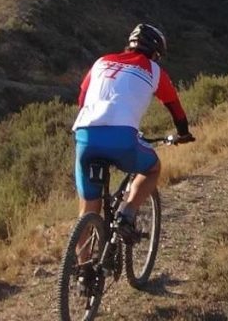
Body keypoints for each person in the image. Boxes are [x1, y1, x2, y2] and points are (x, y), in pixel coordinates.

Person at [72, 23, 195, 240]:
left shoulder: (101, 62)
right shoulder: (154, 70)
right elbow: (175, 108)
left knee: (88, 209)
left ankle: (83, 269)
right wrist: (183, 133)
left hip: (85, 134)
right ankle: (126, 213)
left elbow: (82, 100)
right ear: (155, 52)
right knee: (152, 168)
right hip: (121, 137)